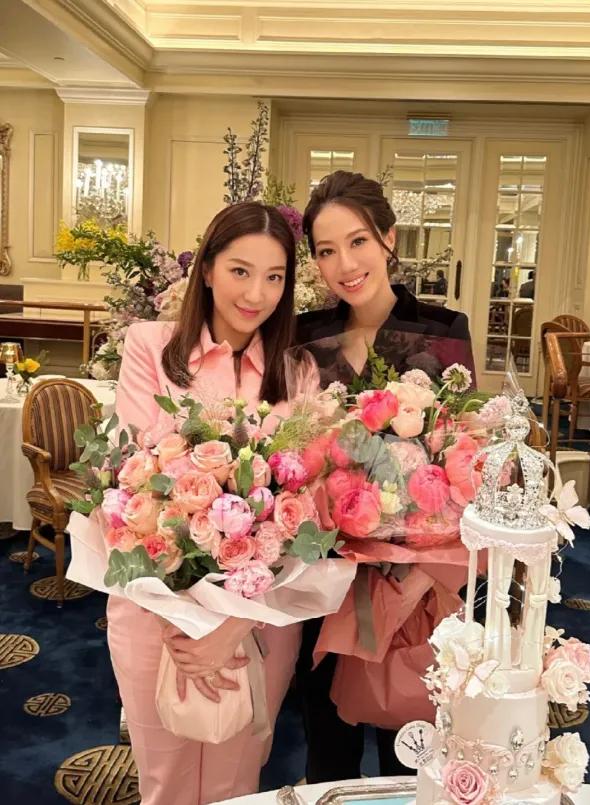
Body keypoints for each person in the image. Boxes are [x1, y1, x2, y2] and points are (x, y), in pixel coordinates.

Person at [108, 202, 300, 805]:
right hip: (155, 616)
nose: (257, 294)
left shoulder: (297, 372)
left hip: (260, 620)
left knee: (236, 786)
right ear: (209, 269)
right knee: (162, 784)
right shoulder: (150, 346)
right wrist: (186, 624)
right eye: (241, 271)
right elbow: (131, 482)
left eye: (274, 277)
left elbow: (306, 512)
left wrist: (231, 628)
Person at [294, 170, 474, 783]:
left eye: (358, 241)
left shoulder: (443, 330)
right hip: (328, 577)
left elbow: (463, 456)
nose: (345, 264)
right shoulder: (305, 337)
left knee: (414, 747)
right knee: (329, 748)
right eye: (326, 250)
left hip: (418, 583)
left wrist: (417, 576)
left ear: (388, 238)